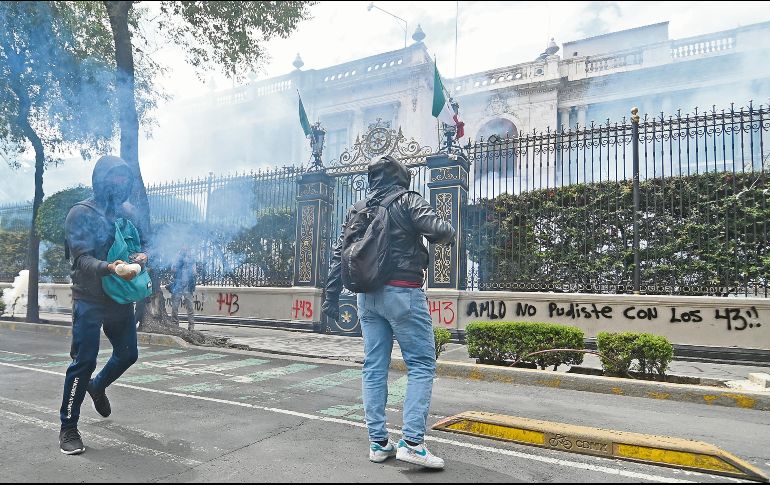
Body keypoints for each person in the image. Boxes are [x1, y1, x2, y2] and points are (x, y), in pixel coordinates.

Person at [322, 155, 455, 469]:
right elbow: (441, 230)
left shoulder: (358, 209)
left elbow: (338, 256)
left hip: (365, 298)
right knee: (421, 364)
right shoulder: (408, 201)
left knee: (374, 366)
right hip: (403, 293)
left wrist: (329, 298)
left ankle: (379, 443)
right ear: (402, 177)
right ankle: (412, 442)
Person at [59, 155, 147, 455]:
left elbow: (136, 245)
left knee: (128, 354)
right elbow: (81, 259)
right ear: (100, 178)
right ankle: (68, 427)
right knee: (83, 362)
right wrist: (110, 268)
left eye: (125, 178)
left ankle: (98, 386)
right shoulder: (80, 213)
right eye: (115, 177)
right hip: (90, 299)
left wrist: (140, 258)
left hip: (119, 298)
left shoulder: (126, 213)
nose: (120, 183)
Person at [170, 245, 197, 331]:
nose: (184, 249)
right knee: (175, 306)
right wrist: (178, 264)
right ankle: (174, 324)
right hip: (178, 284)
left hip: (188, 286)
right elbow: (172, 269)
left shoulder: (191, 259)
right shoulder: (177, 258)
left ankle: (191, 326)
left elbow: (194, 272)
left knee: (190, 307)